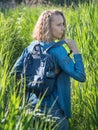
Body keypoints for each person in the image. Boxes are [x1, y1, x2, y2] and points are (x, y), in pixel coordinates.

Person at [11, 10, 86, 130]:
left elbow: (14, 73)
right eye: (58, 25)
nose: (63, 28)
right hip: (55, 111)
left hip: (32, 108)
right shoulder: (58, 51)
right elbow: (80, 76)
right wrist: (75, 51)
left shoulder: (31, 47)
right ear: (48, 27)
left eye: (63, 24)